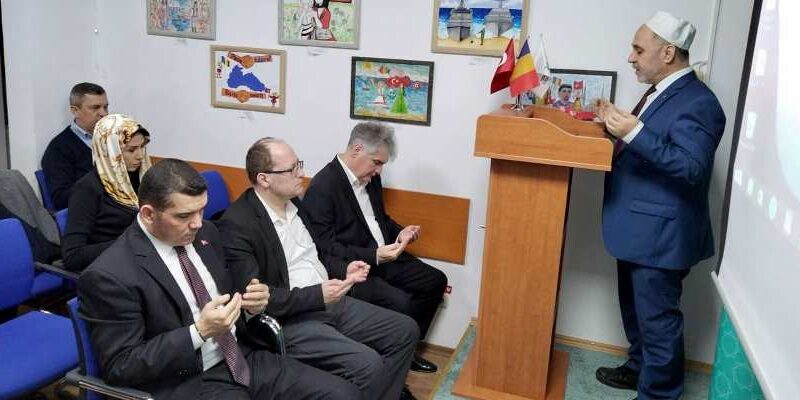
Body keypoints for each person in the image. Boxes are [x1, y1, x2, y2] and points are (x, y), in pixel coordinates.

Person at [78, 158, 359, 400]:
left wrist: (252, 304)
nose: (198, 223)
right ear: (149, 214)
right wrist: (198, 332)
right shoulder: (109, 275)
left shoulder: (207, 234)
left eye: (202, 210)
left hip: (243, 355)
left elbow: (231, 293)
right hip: (189, 380)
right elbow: (121, 366)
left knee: (344, 394)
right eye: (184, 215)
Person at [218, 138, 419, 400]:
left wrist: (345, 269)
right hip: (291, 318)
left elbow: (319, 254)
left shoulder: (295, 203)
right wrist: (317, 295)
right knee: (368, 365)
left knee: (406, 330)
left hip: (328, 300)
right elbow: (257, 298)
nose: (301, 173)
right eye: (292, 169)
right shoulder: (238, 224)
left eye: (299, 164)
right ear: (264, 179)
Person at [594, 11, 726, 400]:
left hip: (661, 234)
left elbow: (691, 167)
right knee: (635, 311)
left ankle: (659, 394)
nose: (631, 57)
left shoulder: (700, 101)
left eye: (638, 50)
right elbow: (654, 146)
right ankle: (638, 369)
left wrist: (632, 130)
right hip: (638, 229)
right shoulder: (662, 91)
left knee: (658, 322)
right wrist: (613, 127)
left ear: (668, 53)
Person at [302, 122, 448, 374]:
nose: (379, 170)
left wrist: (400, 232)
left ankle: (407, 349)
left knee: (435, 281)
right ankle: (392, 361)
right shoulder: (323, 187)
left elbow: (380, 220)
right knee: (400, 303)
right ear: (357, 149)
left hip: (383, 256)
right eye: (377, 162)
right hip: (356, 266)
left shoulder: (370, 179)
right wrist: (374, 255)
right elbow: (325, 248)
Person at [61, 114, 151, 272]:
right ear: (110, 151)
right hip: (111, 268)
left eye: (142, 147)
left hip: (141, 258)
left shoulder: (141, 177)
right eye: (131, 150)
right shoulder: (87, 189)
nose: (140, 155)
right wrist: (130, 243)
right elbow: (72, 257)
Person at [41, 82, 109, 210]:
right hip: (93, 213)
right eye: (95, 108)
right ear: (75, 111)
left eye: (105, 107)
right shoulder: (58, 149)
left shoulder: (112, 138)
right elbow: (60, 199)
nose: (103, 114)